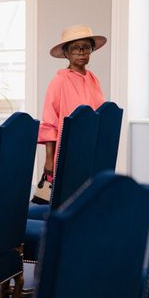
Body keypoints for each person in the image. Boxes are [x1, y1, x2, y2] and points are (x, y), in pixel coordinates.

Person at [38, 24, 107, 182]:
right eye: (76, 48)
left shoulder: (93, 79)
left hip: (92, 149)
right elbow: (49, 124)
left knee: (89, 196)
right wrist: (49, 159)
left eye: (86, 47)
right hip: (69, 150)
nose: (81, 52)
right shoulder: (59, 81)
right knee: (67, 197)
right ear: (66, 53)